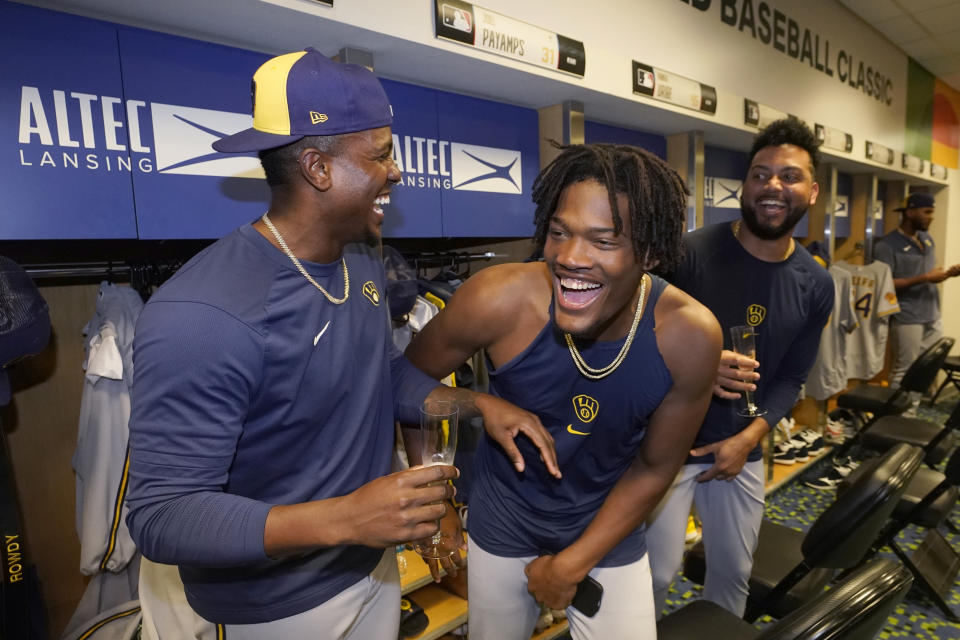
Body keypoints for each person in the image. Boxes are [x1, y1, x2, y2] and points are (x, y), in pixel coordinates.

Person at [125, 48, 559, 639]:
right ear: (317, 167)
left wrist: (476, 404)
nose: (398, 171)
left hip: (368, 567)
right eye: (380, 154)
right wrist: (349, 518)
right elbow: (163, 517)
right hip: (269, 607)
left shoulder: (362, 258)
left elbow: (382, 376)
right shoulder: (203, 313)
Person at [405, 143, 722, 639]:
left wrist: (572, 565)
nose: (570, 258)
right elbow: (407, 383)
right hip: (503, 523)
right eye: (559, 233)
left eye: (604, 241)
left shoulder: (689, 335)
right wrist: (437, 498)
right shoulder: (498, 297)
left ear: (652, 254)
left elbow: (656, 466)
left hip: (606, 528)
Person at [646, 117, 834, 617]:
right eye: (760, 174)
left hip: (738, 452)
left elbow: (792, 377)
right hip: (664, 447)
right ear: (746, 184)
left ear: (811, 192)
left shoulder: (815, 285)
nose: (773, 186)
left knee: (733, 576)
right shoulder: (687, 254)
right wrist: (701, 364)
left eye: (789, 176)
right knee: (655, 575)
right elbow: (629, 340)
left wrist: (749, 439)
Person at [873, 192, 960, 410]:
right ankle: (892, 417)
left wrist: (948, 274)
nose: (931, 217)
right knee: (905, 369)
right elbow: (884, 284)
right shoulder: (887, 245)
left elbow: (928, 273)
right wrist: (926, 278)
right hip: (907, 315)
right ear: (910, 212)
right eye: (927, 212)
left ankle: (911, 412)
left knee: (927, 368)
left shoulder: (927, 239)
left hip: (932, 312)